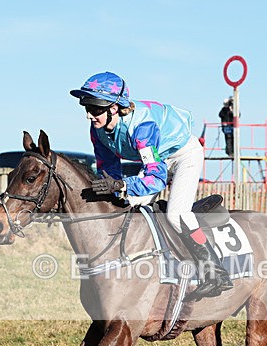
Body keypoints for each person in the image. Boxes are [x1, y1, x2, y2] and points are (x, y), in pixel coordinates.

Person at [70, 71, 233, 300]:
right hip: (159, 158)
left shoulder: (142, 128)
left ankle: (216, 272)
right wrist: (112, 187)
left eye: (95, 109)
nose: (89, 115)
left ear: (114, 108)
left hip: (184, 155)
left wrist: (120, 184)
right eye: (86, 108)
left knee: (176, 214)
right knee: (130, 204)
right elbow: (109, 168)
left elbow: (155, 178)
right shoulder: (98, 130)